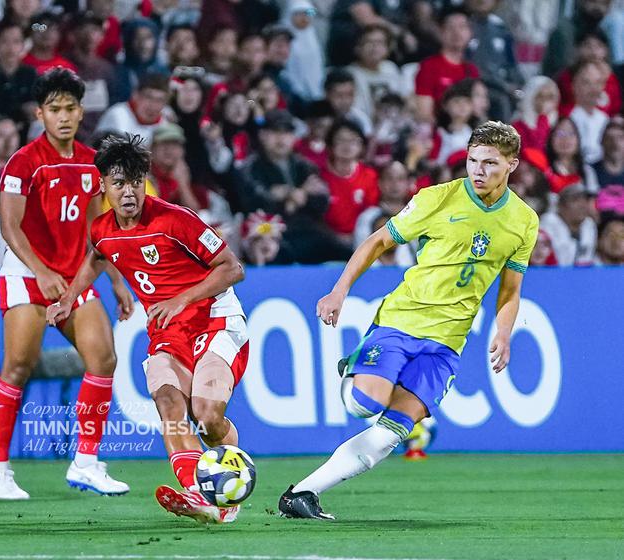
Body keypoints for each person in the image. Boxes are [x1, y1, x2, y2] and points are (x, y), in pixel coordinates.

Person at [279, 121, 538, 520]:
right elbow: (378, 241)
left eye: (490, 162)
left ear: (512, 165)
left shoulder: (524, 220)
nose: (478, 170)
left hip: (448, 343)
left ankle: (302, 494)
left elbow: (510, 290)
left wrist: (504, 334)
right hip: (402, 322)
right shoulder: (437, 199)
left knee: (391, 434)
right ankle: (353, 366)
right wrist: (339, 290)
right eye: (472, 160)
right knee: (365, 407)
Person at [47, 133, 248, 525]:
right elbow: (97, 257)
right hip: (168, 334)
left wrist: (182, 299)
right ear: (102, 184)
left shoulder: (175, 220)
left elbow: (233, 268)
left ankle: (231, 477)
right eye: (119, 183)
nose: (129, 192)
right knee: (170, 407)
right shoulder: (102, 229)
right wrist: (70, 298)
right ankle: (202, 495)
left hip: (215, 319)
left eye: (136, 181)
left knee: (205, 418)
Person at [0, 67, 134, 500]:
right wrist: (43, 271)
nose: (64, 117)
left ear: (81, 110)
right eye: (55, 109)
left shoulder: (93, 163)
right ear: (40, 114)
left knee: (103, 359)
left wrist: (117, 279)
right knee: (18, 367)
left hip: (73, 279)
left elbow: (97, 228)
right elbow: (10, 228)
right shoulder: (24, 162)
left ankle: (86, 463)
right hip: (26, 275)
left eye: (71, 108)